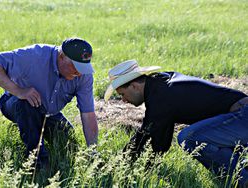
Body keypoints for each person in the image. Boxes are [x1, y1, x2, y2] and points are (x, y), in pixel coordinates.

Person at [104, 60, 248, 187]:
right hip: (236, 120)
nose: (123, 100)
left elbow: (145, 136)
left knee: (189, 138)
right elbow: (161, 139)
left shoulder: (160, 96)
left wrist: (118, 166)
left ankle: (242, 181)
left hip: (241, 117)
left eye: (122, 94)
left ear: (134, 86)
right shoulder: (161, 82)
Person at [0, 37, 98, 168]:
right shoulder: (33, 56)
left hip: (48, 112)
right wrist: (19, 91)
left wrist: (93, 153)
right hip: (16, 103)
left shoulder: (84, 76)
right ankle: (38, 162)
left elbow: (88, 114)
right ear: (62, 56)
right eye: (76, 67)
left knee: (68, 144)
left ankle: (34, 130)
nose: (80, 73)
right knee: (27, 106)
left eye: (84, 68)